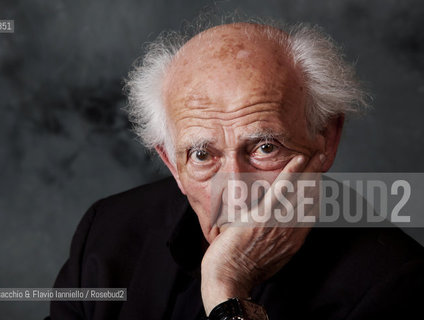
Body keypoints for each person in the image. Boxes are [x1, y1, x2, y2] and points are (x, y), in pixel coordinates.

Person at [47, 19, 424, 320]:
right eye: (201, 154)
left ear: (326, 138)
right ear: (171, 164)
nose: (235, 192)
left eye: (264, 147)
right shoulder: (107, 231)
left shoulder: (394, 283)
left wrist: (227, 292)